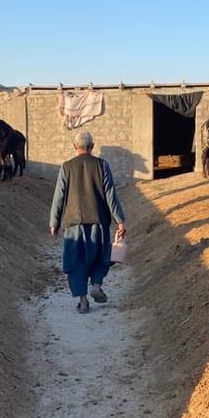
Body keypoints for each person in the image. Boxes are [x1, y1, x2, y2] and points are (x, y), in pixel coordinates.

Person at [49, 130, 126, 314]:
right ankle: (97, 285)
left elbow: (58, 196)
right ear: (92, 147)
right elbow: (110, 195)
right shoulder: (102, 165)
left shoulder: (66, 167)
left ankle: (83, 302)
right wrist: (120, 221)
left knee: (77, 262)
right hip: (99, 221)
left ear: (74, 147)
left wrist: (54, 222)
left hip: (73, 223)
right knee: (101, 255)